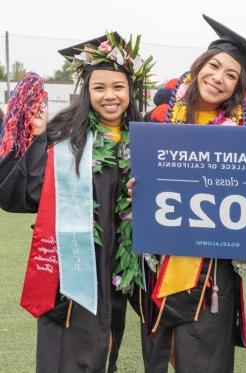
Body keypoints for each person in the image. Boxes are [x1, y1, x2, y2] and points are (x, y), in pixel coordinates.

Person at [127, 14, 246, 373]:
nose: (218, 79)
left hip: (213, 271)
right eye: (214, 66)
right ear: (199, 66)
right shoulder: (159, 119)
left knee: (205, 357)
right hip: (159, 261)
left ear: (238, 88)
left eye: (231, 76)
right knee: (161, 353)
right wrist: (133, 190)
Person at [0, 32, 153, 373]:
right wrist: (36, 139)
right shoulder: (65, 136)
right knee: (68, 355)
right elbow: (22, 196)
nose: (109, 96)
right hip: (73, 269)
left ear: (131, 90)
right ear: (87, 91)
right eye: (99, 88)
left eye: (118, 87)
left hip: (119, 268)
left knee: (106, 348)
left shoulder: (146, 140)